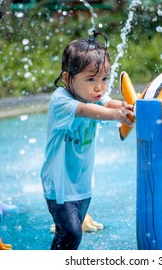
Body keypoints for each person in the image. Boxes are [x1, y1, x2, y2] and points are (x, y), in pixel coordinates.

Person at [40, 31, 134, 250]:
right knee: (72, 234)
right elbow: (86, 110)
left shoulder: (96, 96)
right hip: (59, 186)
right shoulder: (61, 101)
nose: (99, 87)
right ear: (67, 79)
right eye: (91, 79)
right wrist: (116, 115)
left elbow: (109, 103)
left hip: (82, 185)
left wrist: (125, 108)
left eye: (104, 79)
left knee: (66, 236)